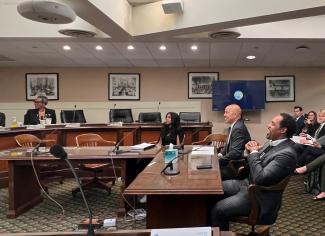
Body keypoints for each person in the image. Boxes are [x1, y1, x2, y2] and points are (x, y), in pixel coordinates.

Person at [211, 113, 297, 230]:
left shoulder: (287, 154)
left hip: (258, 195)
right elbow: (256, 162)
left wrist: (254, 153)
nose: (268, 125)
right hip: (246, 183)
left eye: (272, 124)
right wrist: (250, 151)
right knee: (212, 191)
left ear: (283, 130)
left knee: (218, 209)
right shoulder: (271, 143)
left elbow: (261, 178)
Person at [219, 104, 251, 180]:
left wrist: (219, 161)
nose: (224, 115)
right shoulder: (234, 126)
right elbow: (228, 145)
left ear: (235, 115)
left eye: (226, 112)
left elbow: (235, 152)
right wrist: (220, 154)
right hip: (230, 163)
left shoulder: (238, 128)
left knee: (211, 174)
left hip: (235, 167)